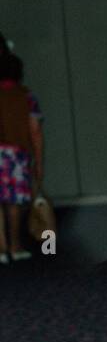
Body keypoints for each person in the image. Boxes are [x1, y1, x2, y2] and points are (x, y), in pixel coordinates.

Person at [0, 38, 44, 265]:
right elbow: (35, 132)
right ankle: (15, 246)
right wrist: (38, 161)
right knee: (14, 203)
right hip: (15, 155)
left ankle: (1, 247)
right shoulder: (26, 97)